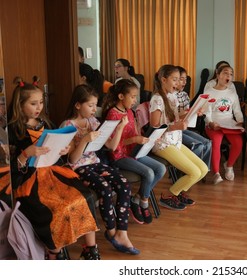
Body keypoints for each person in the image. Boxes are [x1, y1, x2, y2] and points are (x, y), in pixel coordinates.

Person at [7, 76, 100, 260]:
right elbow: (11, 168)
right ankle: (54, 253)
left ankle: (91, 249)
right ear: (20, 104)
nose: (39, 107)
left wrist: (63, 149)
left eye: (41, 102)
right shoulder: (12, 131)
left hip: (54, 171)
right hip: (30, 179)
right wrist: (26, 153)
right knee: (58, 208)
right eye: (33, 104)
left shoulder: (46, 123)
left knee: (85, 196)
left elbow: (58, 152)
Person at [62, 84, 140, 255]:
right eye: (90, 105)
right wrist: (83, 140)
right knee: (104, 188)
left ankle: (122, 232)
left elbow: (112, 146)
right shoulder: (67, 125)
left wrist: (119, 127)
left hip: (95, 163)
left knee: (124, 184)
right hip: (78, 167)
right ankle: (112, 232)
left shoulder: (94, 122)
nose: (93, 109)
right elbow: (72, 159)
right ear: (77, 105)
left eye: (94, 105)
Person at [102, 79, 166, 223]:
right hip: (120, 156)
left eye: (136, 97)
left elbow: (135, 133)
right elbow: (113, 146)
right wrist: (134, 140)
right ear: (121, 96)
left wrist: (147, 139)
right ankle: (143, 202)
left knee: (160, 169)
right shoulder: (112, 115)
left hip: (134, 152)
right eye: (132, 96)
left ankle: (136, 198)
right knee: (149, 173)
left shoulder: (129, 112)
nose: (135, 100)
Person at [150, 64, 208, 210]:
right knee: (194, 172)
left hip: (175, 140)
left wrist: (193, 112)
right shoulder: (157, 99)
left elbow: (175, 116)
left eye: (178, 80)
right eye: (174, 80)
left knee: (203, 169)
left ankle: (177, 193)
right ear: (163, 79)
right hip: (162, 144)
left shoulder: (172, 96)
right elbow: (154, 127)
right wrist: (175, 126)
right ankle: (169, 195)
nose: (178, 83)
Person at [204, 64, 244, 185]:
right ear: (218, 75)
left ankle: (229, 165)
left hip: (229, 123)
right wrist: (210, 123)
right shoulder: (209, 91)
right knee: (216, 143)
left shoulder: (232, 93)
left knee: (238, 143)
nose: (229, 76)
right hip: (214, 124)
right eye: (225, 73)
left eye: (231, 74)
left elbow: (237, 111)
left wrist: (240, 122)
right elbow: (207, 112)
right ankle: (216, 173)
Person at [176, 66, 212, 170]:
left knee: (208, 143)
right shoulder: (169, 96)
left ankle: (203, 170)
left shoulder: (184, 95)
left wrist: (197, 113)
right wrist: (188, 113)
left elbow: (188, 117)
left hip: (184, 128)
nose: (184, 82)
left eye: (185, 79)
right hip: (174, 130)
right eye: (181, 79)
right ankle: (188, 170)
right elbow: (174, 118)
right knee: (198, 145)